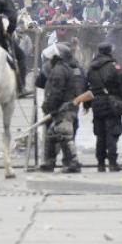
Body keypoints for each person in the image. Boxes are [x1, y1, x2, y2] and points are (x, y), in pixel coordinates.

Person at [85, 43, 122, 172]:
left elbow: (86, 87)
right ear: (110, 51)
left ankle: (100, 164)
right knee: (112, 133)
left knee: (100, 135)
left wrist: (86, 104)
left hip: (97, 103)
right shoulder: (114, 66)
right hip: (112, 103)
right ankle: (113, 163)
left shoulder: (91, 67)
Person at [39, 43, 84, 173]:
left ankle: (72, 163)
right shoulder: (74, 69)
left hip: (62, 109)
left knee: (64, 135)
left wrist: (48, 106)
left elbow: (55, 91)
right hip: (69, 108)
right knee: (53, 136)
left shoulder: (59, 70)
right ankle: (49, 162)